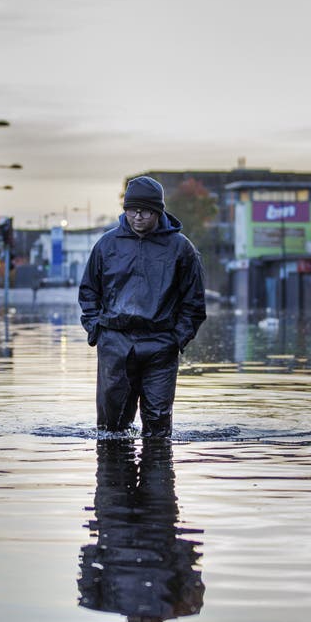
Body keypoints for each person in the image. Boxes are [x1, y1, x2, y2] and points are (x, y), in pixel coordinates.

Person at [79, 176, 206, 439]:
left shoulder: (181, 249)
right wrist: (96, 331)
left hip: (161, 345)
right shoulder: (106, 245)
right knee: (111, 428)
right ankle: (114, 466)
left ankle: (157, 463)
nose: (137, 216)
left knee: (158, 427)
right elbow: (89, 291)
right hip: (114, 344)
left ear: (158, 212)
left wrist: (177, 339)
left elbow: (194, 302)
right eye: (132, 210)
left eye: (145, 211)